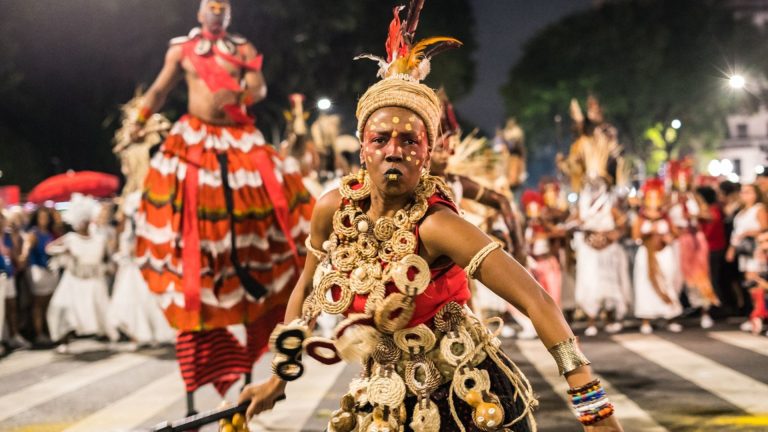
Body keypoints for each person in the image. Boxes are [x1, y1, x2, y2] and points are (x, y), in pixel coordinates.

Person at [239, 5, 622, 431]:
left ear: (427, 151)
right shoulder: (334, 208)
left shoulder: (438, 225)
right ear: (362, 147)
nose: (394, 150)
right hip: (380, 396)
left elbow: (537, 300)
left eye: (409, 140)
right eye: (380, 139)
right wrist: (279, 377)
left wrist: (593, 406)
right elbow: (306, 291)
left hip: (463, 399)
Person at [130, 0, 314, 414]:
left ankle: (259, 316)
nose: (215, 11)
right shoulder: (181, 49)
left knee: (270, 218)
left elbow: (261, 88)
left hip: (239, 141)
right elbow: (160, 90)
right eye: (209, 5)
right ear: (199, 13)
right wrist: (138, 121)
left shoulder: (243, 48)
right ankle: (201, 325)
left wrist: (239, 91)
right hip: (193, 146)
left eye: (222, 6)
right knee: (187, 233)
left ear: (228, 15)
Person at [558, 97, 630, 337]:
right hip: (589, 245)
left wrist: (612, 235)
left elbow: (622, 222)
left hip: (607, 247)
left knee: (610, 281)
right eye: (590, 184)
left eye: (597, 183)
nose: (594, 186)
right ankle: (590, 318)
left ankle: (611, 315)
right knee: (588, 282)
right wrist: (573, 228)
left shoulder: (610, 200)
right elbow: (574, 221)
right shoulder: (583, 200)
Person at [46, 195, 119, 353]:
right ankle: (62, 339)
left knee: (100, 309)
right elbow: (49, 248)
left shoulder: (100, 238)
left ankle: (108, 336)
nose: (83, 224)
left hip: (94, 280)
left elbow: (107, 256)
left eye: (85, 221)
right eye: (80, 222)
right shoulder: (71, 238)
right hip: (73, 280)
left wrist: (108, 265)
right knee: (62, 308)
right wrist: (63, 250)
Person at [666, 159, 719, 328]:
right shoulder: (670, 199)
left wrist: (694, 216)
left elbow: (708, 215)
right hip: (676, 242)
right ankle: (672, 315)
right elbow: (660, 215)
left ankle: (705, 311)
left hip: (695, 239)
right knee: (674, 278)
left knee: (700, 277)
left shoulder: (695, 197)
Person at [632, 179, 683, 334]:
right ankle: (646, 320)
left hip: (664, 255)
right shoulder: (640, 218)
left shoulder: (666, 217)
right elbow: (635, 237)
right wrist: (648, 232)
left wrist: (670, 237)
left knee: (667, 282)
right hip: (646, 254)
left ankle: (670, 316)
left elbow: (676, 233)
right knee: (645, 284)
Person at [727, 183, 768, 334]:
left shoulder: (759, 208)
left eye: (749, 192)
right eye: (743, 192)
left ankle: (759, 315)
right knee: (750, 284)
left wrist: (751, 233)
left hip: (756, 249)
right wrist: (732, 248)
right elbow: (736, 232)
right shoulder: (742, 211)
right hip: (743, 251)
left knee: (757, 282)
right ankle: (756, 315)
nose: (745, 195)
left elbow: (764, 228)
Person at [21, 207, 59, 345]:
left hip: (49, 270)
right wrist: (23, 256)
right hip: (38, 271)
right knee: (38, 303)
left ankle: (48, 331)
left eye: (46, 217)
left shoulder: (49, 233)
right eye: (41, 217)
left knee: (48, 304)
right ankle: (39, 334)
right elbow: (26, 248)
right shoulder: (34, 233)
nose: (44, 220)